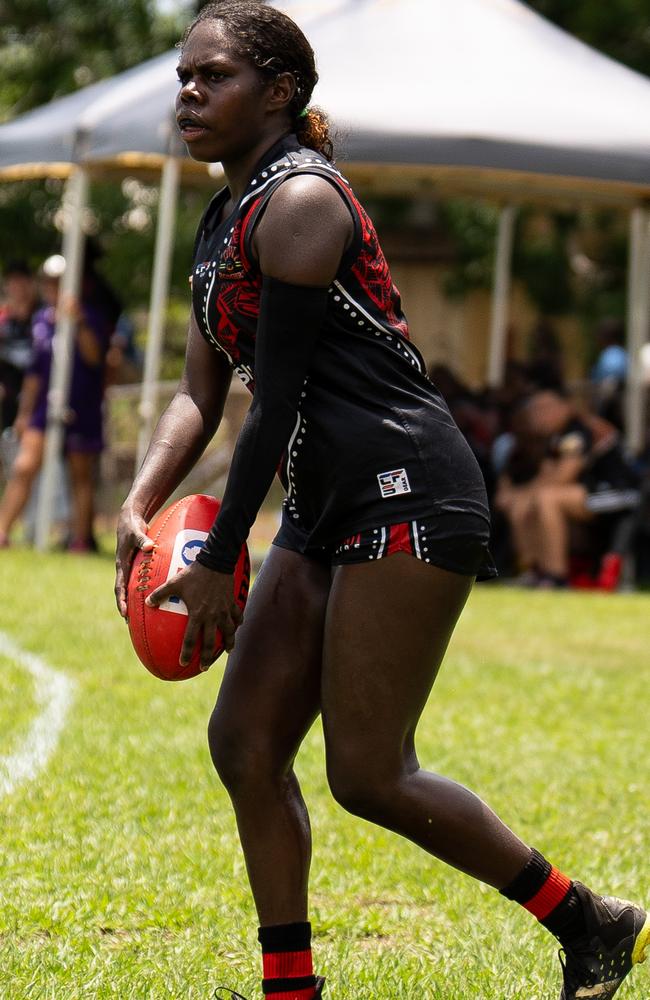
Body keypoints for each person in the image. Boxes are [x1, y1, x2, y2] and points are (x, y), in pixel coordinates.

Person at [114, 5, 648, 998]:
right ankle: (291, 987)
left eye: (211, 76)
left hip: (409, 493)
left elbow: (269, 404)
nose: (186, 94)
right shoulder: (219, 216)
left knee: (369, 773)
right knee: (244, 742)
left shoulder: (302, 201)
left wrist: (220, 554)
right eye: (183, 76)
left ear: (277, 92)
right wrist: (142, 503)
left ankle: (589, 919)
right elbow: (199, 390)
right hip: (326, 505)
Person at [0, 254, 110, 550]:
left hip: (82, 403)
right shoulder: (41, 321)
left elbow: (94, 357)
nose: (52, 287)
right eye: (48, 281)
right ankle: (3, 533)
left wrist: (78, 323)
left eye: (58, 282)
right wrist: (24, 413)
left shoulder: (91, 316)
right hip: (43, 406)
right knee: (24, 466)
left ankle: (80, 539)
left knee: (80, 474)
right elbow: (34, 372)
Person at [495, 391, 640, 588]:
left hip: (619, 492)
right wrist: (521, 496)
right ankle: (532, 571)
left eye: (540, 411)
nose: (535, 418)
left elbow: (565, 474)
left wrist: (525, 494)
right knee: (529, 501)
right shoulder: (554, 436)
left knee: (547, 499)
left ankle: (556, 576)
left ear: (558, 409)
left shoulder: (577, 429)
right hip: (594, 492)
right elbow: (546, 475)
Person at [0, 260, 40, 432]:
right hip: (8, 398)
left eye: (22, 281)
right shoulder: (3, 320)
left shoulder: (43, 317)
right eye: (13, 282)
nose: (18, 287)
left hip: (37, 396)